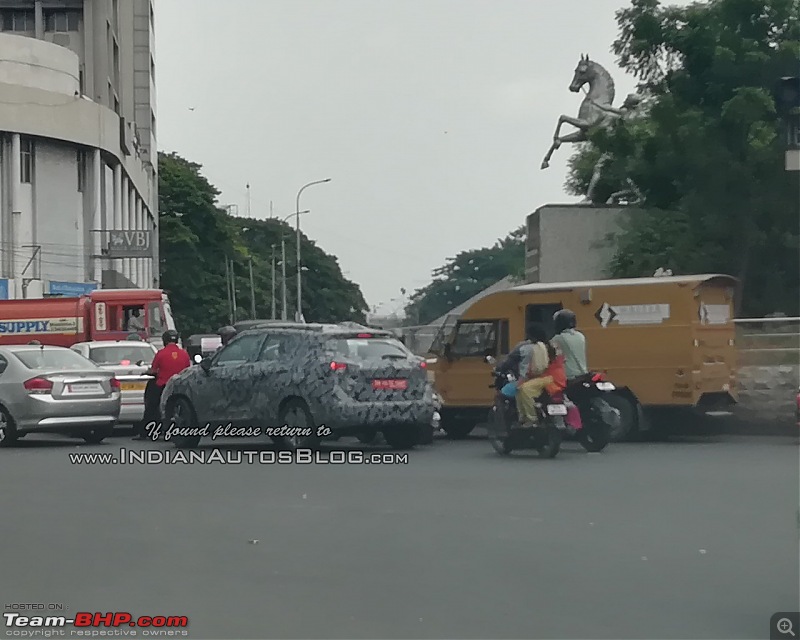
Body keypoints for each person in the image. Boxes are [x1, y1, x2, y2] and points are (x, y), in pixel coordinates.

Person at [133, 330, 191, 441]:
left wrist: (145, 372)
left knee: (151, 407)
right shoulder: (184, 353)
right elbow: (187, 369)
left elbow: (154, 370)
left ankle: (146, 432)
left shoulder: (161, 353)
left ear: (164, 340)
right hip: (179, 386)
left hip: (163, 385)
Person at [515, 324, 566, 428]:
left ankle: (531, 419)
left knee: (524, 389)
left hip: (549, 378)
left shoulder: (538, 347)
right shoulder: (553, 345)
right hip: (559, 377)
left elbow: (537, 367)